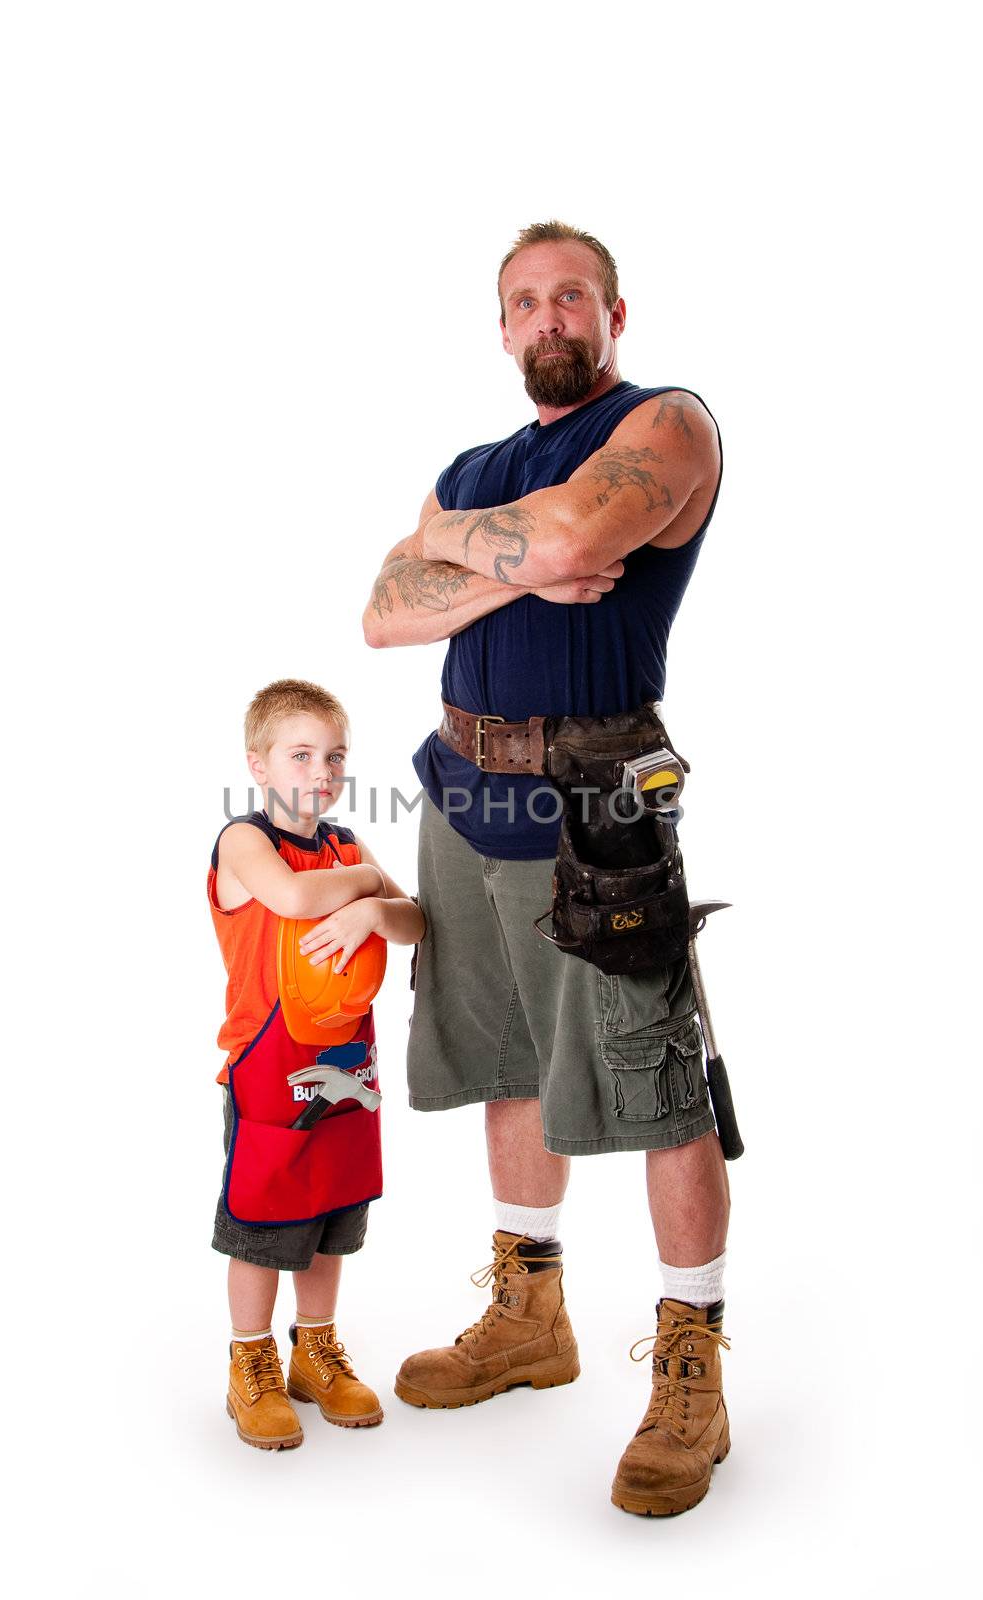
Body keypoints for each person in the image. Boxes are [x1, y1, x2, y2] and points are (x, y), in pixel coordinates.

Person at [362, 221, 731, 1517]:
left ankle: (690, 1360)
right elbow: (379, 609)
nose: (545, 316)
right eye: (521, 301)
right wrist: (490, 554)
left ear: (610, 311)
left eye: (566, 293)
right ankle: (529, 1311)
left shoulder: (665, 427)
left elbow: (575, 541)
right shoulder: (472, 466)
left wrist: (453, 547)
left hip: (593, 803)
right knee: (504, 1059)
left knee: (649, 1078)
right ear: (501, 327)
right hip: (459, 790)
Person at [208, 678, 425, 1450]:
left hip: (346, 1064)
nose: (320, 773)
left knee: (331, 1215)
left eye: (334, 756)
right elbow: (295, 901)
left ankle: (315, 1352)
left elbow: (414, 920)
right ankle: (251, 1362)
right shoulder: (244, 841)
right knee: (263, 1221)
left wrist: (373, 906)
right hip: (268, 1063)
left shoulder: (343, 843)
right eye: (300, 755)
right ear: (258, 765)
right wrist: (366, 883)